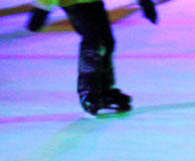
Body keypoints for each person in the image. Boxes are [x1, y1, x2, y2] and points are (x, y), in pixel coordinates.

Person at [25, 0, 157, 115]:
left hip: (93, 2)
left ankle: (104, 90)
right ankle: (88, 92)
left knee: (107, 42)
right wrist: (41, 9)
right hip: (74, 4)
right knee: (93, 42)